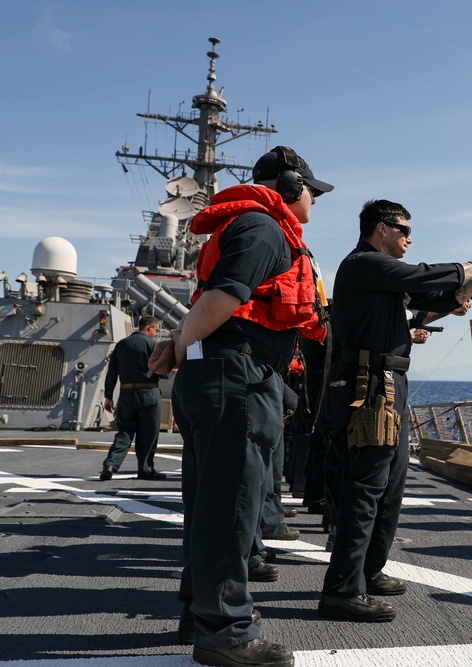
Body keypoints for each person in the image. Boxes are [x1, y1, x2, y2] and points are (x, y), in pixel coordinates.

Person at [147, 146, 332, 667]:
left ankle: (198, 612)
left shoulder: (245, 226)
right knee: (232, 510)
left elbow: (211, 302)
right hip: (237, 378)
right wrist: (182, 345)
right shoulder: (264, 227)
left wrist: (178, 344)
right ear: (292, 186)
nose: (314, 202)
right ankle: (226, 632)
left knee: (210, 503)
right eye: (311, 192)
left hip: (219, 374)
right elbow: (223, 299)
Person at [318, 199, 472, 623]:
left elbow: (433, 297)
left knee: (389, 487)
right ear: (380, 229)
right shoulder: (364, 263)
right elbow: (421, 276)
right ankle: (342, 589)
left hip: (390, 388)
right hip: (368, 390)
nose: (409, 237)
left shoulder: (382, 279)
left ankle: (368, 571)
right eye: (403, 229)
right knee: (365, 489)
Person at [100, 315, 164, 481]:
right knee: (148, 434)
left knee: (124, 432)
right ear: (149, 327)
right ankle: (146, 469)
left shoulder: (121, 345)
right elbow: (163, 372)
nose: (156, 333)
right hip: (149, 394)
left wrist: (108, 397)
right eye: (156, 330)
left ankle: (110, 465)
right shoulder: (152, 345)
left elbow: (111, 373)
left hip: (126, 394)